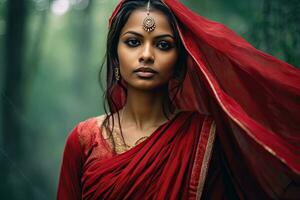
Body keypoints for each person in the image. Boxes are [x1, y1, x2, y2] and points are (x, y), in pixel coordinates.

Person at [57, 0, 300, 199]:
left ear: (179, 63)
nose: (146, 55)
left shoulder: (202, 137)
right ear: (114, 54)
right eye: (133, 42)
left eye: (163, 45)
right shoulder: (84, 140)